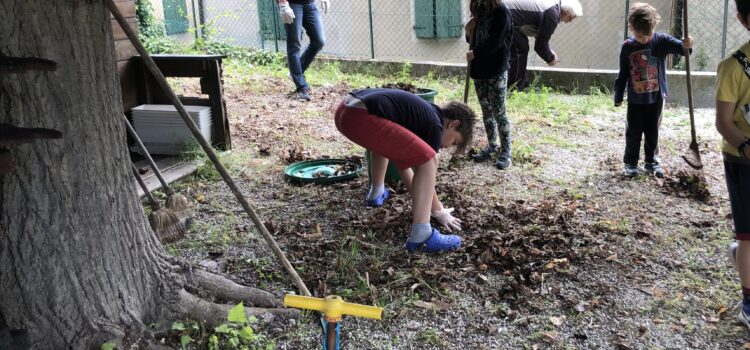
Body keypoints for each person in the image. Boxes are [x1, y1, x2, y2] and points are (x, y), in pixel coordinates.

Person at [334, 88, 476, 253]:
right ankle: (422, 235)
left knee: (386, 143)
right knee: (430, 159)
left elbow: (404, 164)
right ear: (453, 124)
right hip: (360, 117)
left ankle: (377, 193)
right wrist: (437, 210)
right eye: (454, 142)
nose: (446, 147)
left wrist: (426, 203)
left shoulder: (422, 113)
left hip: (345, 109)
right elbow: (425, 164)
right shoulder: (434, 125)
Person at [613, 2, 693, 178]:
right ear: (631, 27)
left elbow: (682, 49)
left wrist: (687, 44)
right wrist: (618, 95)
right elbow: (623, 73)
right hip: (635, 100)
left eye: (647, 35)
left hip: (656, 98)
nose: (644, 39)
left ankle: (651, 162)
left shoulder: (661, 41)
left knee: (652, 131)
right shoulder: (627, 47)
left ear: (654, 27)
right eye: (640, 36)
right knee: (633, 132)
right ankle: (631, 163)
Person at [718, 0, 750, 330]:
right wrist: (745, 146)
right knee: (749, 236)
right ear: (743, 19)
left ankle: (741, 254)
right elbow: (724, 122)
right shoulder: (734, 66)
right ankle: (749, 304)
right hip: (743, 160)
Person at [465, 0, 514, 169]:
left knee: (499, 111)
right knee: (486, 109)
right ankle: (492, 146)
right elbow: (472, 39)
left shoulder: (501, 11)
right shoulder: (479, 8)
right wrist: (467, 29)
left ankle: (506, 152)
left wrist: (475, 53)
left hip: (496, 68)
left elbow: (496, 42)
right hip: (479, 69)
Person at [504, 0, 582, 91]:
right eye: (571, 18)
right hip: (504, 16)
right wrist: (550, 59)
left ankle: (516, 83)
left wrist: (549, 51)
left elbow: (542, 37)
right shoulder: (552, 15)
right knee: (520, 49)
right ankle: (514, 88)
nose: (570, 21)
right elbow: (540, 46)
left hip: (507, 15)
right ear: (566, 13)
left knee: (519, 47)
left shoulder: (554, 7)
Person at [278, 0, 329, 101]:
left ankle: (295, 73)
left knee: (319, 41)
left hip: (310, 4)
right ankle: (301, 87)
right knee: (294, 44)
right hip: (293, 4)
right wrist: (282, 3)